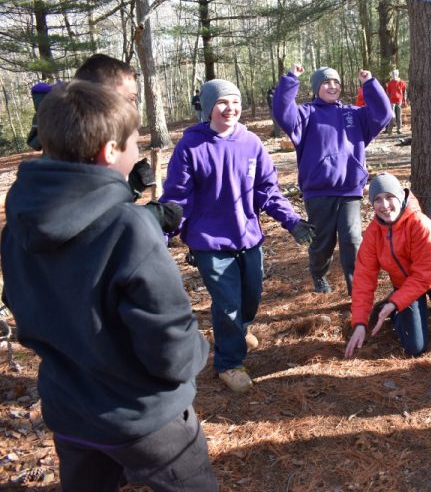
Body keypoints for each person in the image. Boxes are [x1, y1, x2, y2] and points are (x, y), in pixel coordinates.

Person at [1, 80, 217, 491]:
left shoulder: (16, 227)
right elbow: (170, 344)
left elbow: (19, 304)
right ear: (111, 151)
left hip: (69, 413)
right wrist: (197, 353)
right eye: (136, 140)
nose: (139, 150)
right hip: (145, 419)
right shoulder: (127, 228)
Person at [160, 78, 315, 393]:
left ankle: (237, 331)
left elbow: (268, 191)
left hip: (247, 237)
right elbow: (177, 198)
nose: (230, 108)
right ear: (208, 108)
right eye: (222, 103)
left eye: (235, 102)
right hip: (209, 242)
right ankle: (228, 364)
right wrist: (161, 236)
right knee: (228, 302)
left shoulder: (251, 143)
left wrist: (291, 221)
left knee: (250, 299)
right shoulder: (191, 145)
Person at [272, 63, 392, 294]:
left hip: (349, 189)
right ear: (317, 88)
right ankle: (319, 275)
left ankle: (357, 289)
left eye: (336, 82)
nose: (332, 86)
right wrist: (290, 80)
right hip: (319, 190)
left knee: (352, 239)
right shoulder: (306, 114)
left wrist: (369, 84)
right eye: (326, 82)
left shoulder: (353, 114)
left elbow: (383, 114)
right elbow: (282, 112)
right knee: (322, 241)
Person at [345, 173, 431, 358]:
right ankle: (397, 312)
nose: (385, 205)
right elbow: (363, 278)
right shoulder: (373, 234)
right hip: (405, 285)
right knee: (414, 348)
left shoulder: (420, 224)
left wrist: (395, 302)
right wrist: (359, 323)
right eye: (378, 200)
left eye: (389, 197)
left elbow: (423, 275)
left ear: (400, 196)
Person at [73, 53, 182, 233]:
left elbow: (101, 202)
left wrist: (130, 186)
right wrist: (152, 216)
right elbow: (88, 224)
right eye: (130, 98)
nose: (133, 107)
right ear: (100, 96)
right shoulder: (77, 142)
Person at [385, 69, 407, 134]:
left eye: (395, 74)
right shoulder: (390, 83)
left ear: (397, 75)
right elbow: (388, 92)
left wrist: (404, 100)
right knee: (391, 116)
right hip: (391, 101)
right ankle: (389, 130)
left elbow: (404, 92)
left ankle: (399, 129)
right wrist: (387, 101)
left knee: (399, 116)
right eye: (393, 74)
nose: (394, 75)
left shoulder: (402, 82)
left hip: (399, 101)